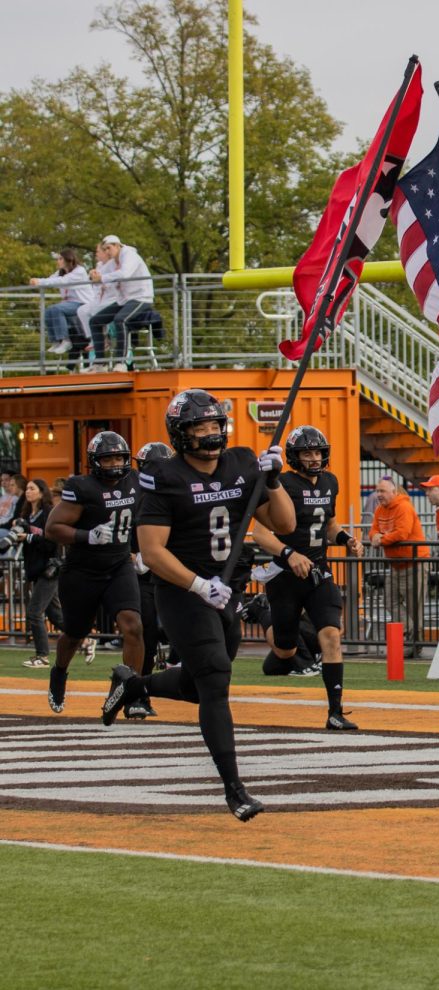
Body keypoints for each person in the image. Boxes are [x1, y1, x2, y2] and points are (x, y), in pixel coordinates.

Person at [107, 388, 296, 820]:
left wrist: (273, 480)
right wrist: (198, 585)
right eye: (200, 427)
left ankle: (134, 685)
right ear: (180, 434)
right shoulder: (165, 476)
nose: (211, 434)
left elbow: (283, 524)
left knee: (200, 685)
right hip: (182, 591)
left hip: (225, 592)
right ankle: (234, 789)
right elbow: (152, 552)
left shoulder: (242, 463)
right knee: (214, 678)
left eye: (215, 425)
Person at [253, 425, 361, 730]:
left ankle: (335, 712)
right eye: (306, 452)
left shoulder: (330, 481)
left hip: (318, 572)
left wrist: (346, 539)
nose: (314, 458)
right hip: (285, 575)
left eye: (317, 452)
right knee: (285, 649)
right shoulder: (280, 483)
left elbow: (329, 525)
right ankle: (270, 636)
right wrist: (289, 554)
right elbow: (260, 533)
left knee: (331, 634)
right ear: (293, 456)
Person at [44, 431, 144, 715]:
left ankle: (130, 691)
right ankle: (59, 673)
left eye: (118, 457)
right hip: (82, 571)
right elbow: (53, 528)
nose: (114, 463)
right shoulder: (82, 487)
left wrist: (145, 550)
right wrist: (88, 535)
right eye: (107, 458)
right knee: (75, 634)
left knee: (133, 626)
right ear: (94, 461)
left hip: (119, 565)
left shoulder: (135, 481)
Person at [367, 476, 430, 651]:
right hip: (396, 564)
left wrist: (381, 539)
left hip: (414, 563)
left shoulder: (404, 507)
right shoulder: (380, 510)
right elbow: (373, 530)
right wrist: (375, 536)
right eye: (377, 491)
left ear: (394, 492)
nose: (379, 494)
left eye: (382, 491)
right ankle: (413, 634)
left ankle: (415, 645)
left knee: (413, 607)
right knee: (389, 601)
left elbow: (402, 533)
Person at [131, 441, 174, 696]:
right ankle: (140, 688)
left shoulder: (180, 492)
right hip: (145, 574)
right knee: (145, 633)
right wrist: (132, 557)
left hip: (173, 571)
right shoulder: (135, 496)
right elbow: (120, 536)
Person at [86, 234, 155, 372]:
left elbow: (125, 274)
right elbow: (100, 274)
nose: (107, 252)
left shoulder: (130, 256)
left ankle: (121, 362)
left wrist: (102, 277)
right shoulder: (112, 262)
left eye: (108, 248)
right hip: (124, 300)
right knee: (95, 321)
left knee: (120, 320)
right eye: (104, 249)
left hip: (142, 297)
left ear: (118, 245)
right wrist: (93, 274)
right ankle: (100, 363)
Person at [15, 479, 64, 668]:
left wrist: (28, 537)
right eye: (27, 488)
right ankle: (84, 640)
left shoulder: (49, 513)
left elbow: (51, 542)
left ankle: (42, 656)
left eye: (32, 488)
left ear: (42, 492)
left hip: (49, 569)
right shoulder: (28, 514)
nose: (28, 492)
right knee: (55, 616)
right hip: (36, 569)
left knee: (34, 613)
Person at [29, 249, 96, 354]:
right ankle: (55, 341)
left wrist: (40, 281)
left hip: (82, 302)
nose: (58, 261)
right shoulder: (61, 272)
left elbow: (63, 281)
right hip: (69, 303)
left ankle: (65, 340)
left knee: (56, 309)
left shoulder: (79, 271)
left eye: (60, 259)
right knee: (48, 311)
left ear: (68, 259)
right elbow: (51, 279)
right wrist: (37, 281)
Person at [242, 592, 322, 676]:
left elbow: (294, 611)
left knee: (286, 623)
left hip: (315, 630)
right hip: (303, 633)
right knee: (271, 667)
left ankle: (306, 665)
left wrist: (260, 612)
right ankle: (311, 662)